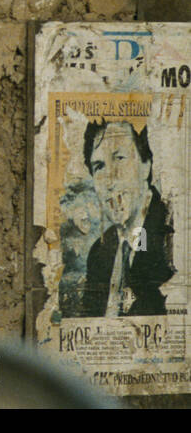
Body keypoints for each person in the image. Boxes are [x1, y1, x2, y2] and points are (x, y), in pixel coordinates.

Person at [68, 119, 175, 318]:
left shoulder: (173, 235)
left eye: (119, 158)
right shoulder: (100, 251)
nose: (110, 180)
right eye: (99, 166)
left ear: (146, 166)